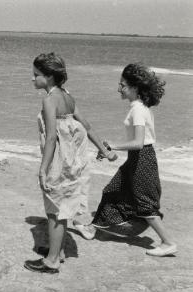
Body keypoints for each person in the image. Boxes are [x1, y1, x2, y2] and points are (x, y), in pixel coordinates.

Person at [23, 53, 117, 274]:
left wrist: (43, 169)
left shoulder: (49, 100)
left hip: (57, 160)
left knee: (55, 210)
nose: (32, 79)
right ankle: (59, 250)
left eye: (35, 75)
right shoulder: (67, 96)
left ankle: (52, 260)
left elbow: (51, 138)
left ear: (48, 77)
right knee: (62, 207)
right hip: (72, 160)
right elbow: (87, 125)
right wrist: (104, 151)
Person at [89, 63, 177, 257]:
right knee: (112, 190)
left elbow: (138, 143)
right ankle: (101, 229)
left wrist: (111, 146)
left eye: (122, 85)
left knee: (145, 204)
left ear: (135, 88)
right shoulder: (139, 107)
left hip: (142, 158)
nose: (118, 89)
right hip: (137, 158)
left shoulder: (138, 109)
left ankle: (168, 242)